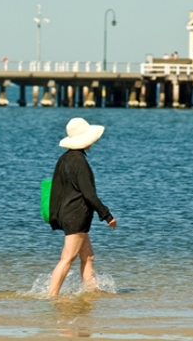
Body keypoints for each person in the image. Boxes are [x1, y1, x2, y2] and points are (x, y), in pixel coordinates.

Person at [47, 117, 117, 297]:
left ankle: (92, 292)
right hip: (76, 216)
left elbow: (56, 189)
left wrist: (57, 216)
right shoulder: (80, 162)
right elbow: (89, 194)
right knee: (67, 258)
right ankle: (52, 296)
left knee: (88, 256)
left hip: (69, 214)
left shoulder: (64, 159)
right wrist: (107, 215)